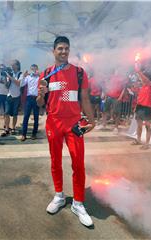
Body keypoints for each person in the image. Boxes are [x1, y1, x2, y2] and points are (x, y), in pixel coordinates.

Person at [37, 36, 95, 227]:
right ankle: (59, 196)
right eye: (60, 48)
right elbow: (39, 104)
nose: (63, 51)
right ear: (53, 51)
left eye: (66, 48)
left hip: (74, 123)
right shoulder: (45, 74)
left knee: (78, 163)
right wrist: (41, 94)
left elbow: (85, 98)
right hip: (53, 122)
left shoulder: (79, 73)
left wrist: (92, 120)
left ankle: (78, 203)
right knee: (56, 161)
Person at [131, 69, 151, 150]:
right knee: (139, 126)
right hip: (139, 107)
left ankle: (147, 144)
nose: (141, 79)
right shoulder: (143, 87)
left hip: (147, 108)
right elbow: (140, 98)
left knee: (147, 126)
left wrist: (138, 71)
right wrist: (136, 107)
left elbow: (145, 79)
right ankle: (138, 140)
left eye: (143, 78)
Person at [1, 59, 22, 136]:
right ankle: (6, 128)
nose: (11, 66)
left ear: (17, 65)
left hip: (17, 97)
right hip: (9, 96)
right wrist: (5, 79)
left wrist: (10, 76)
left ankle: (13, 128)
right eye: (11, 65)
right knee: (6, 113)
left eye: (13, 64)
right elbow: (7, 86)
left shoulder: (20, 74)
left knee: (15, 114)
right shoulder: (10, 73)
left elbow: (18, 83)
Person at [20, 64, 40, 141]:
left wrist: (40, 74)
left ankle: (34, 134)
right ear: (30, 70)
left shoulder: (39, 77)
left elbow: (45, 82)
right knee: (26, 117)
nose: (33, 71)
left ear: (37, 69)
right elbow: (21, 84)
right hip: (29, 98)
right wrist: (23, 76)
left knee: (36, 117)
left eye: (35, 69)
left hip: (36, 98)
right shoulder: (28, 77)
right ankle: (23, 134)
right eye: (32, 69)